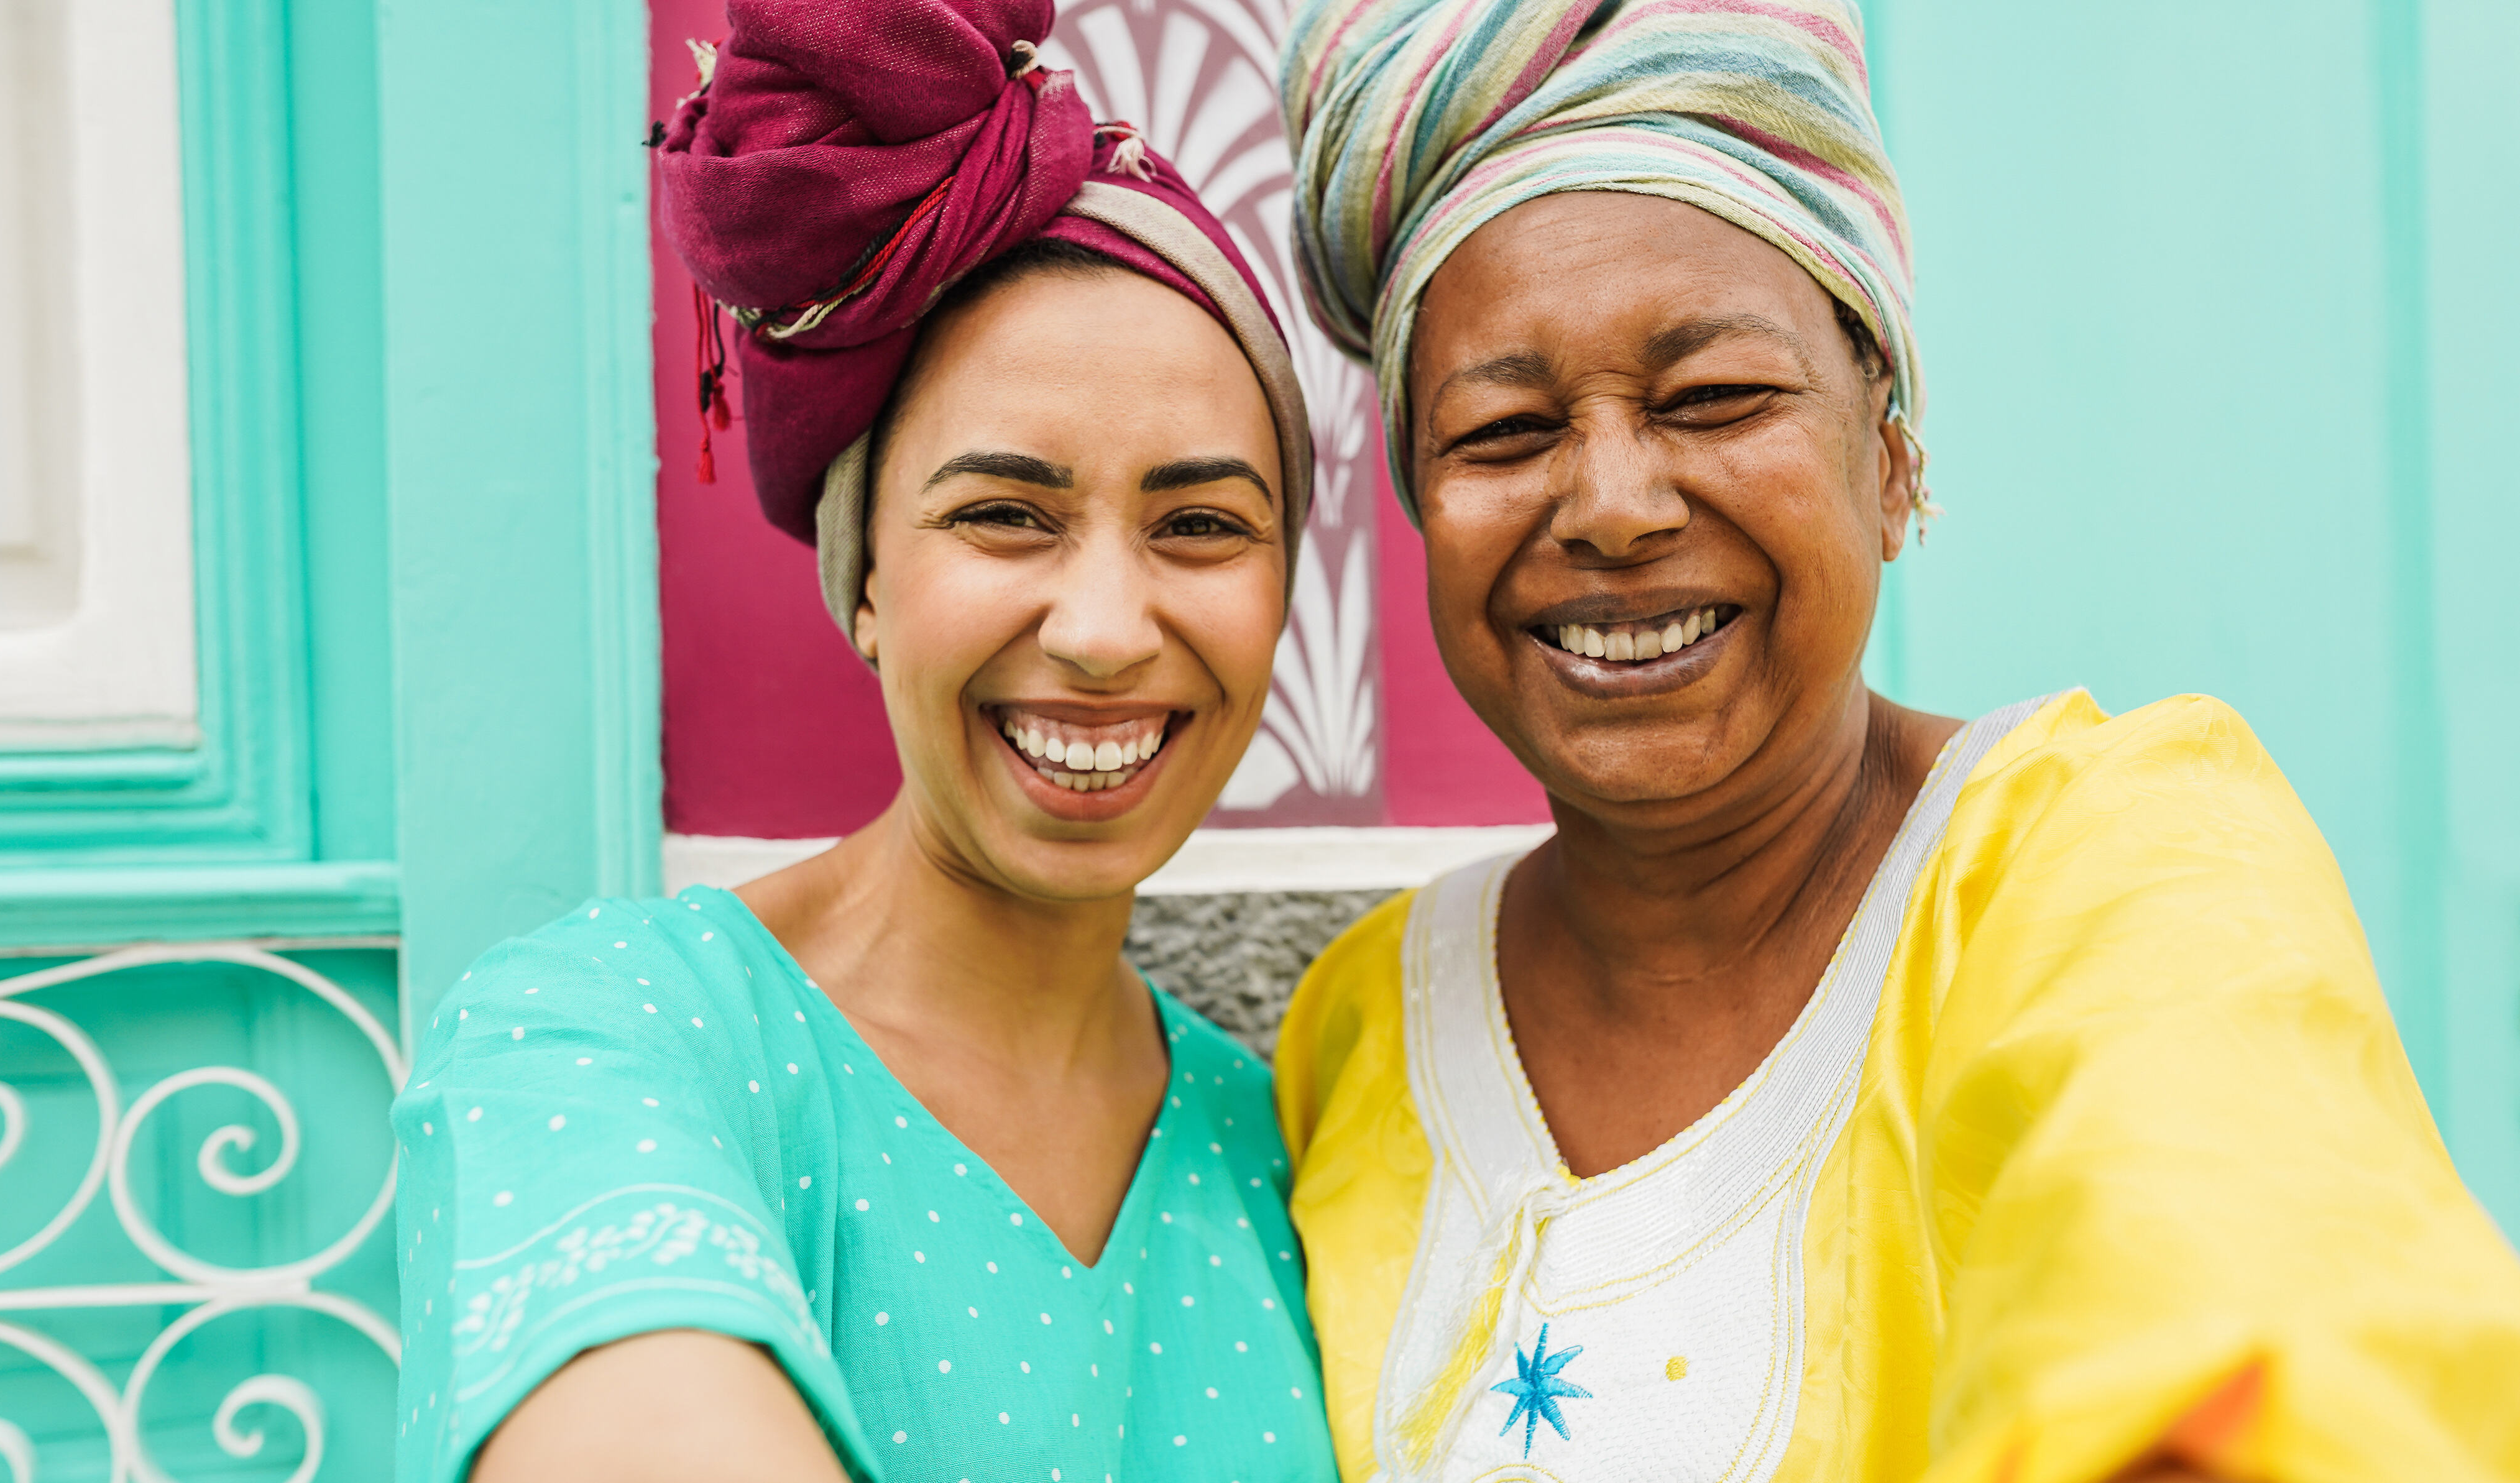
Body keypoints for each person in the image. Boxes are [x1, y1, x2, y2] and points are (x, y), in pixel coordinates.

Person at [1271, 1, 2520, 1480]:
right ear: (1421, 504)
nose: (1610, 505)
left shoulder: (2116, 864)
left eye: (1716, 398)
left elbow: (2251, 1319)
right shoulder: (1359, 1029)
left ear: (1892, 452)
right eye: (1502, 431)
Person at [390, 4, 1340, 1481]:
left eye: (1203, 524)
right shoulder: (604, 1036)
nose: (1102, 627)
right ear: (870, 579)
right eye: (1004, 513)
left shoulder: (1275, 1137)